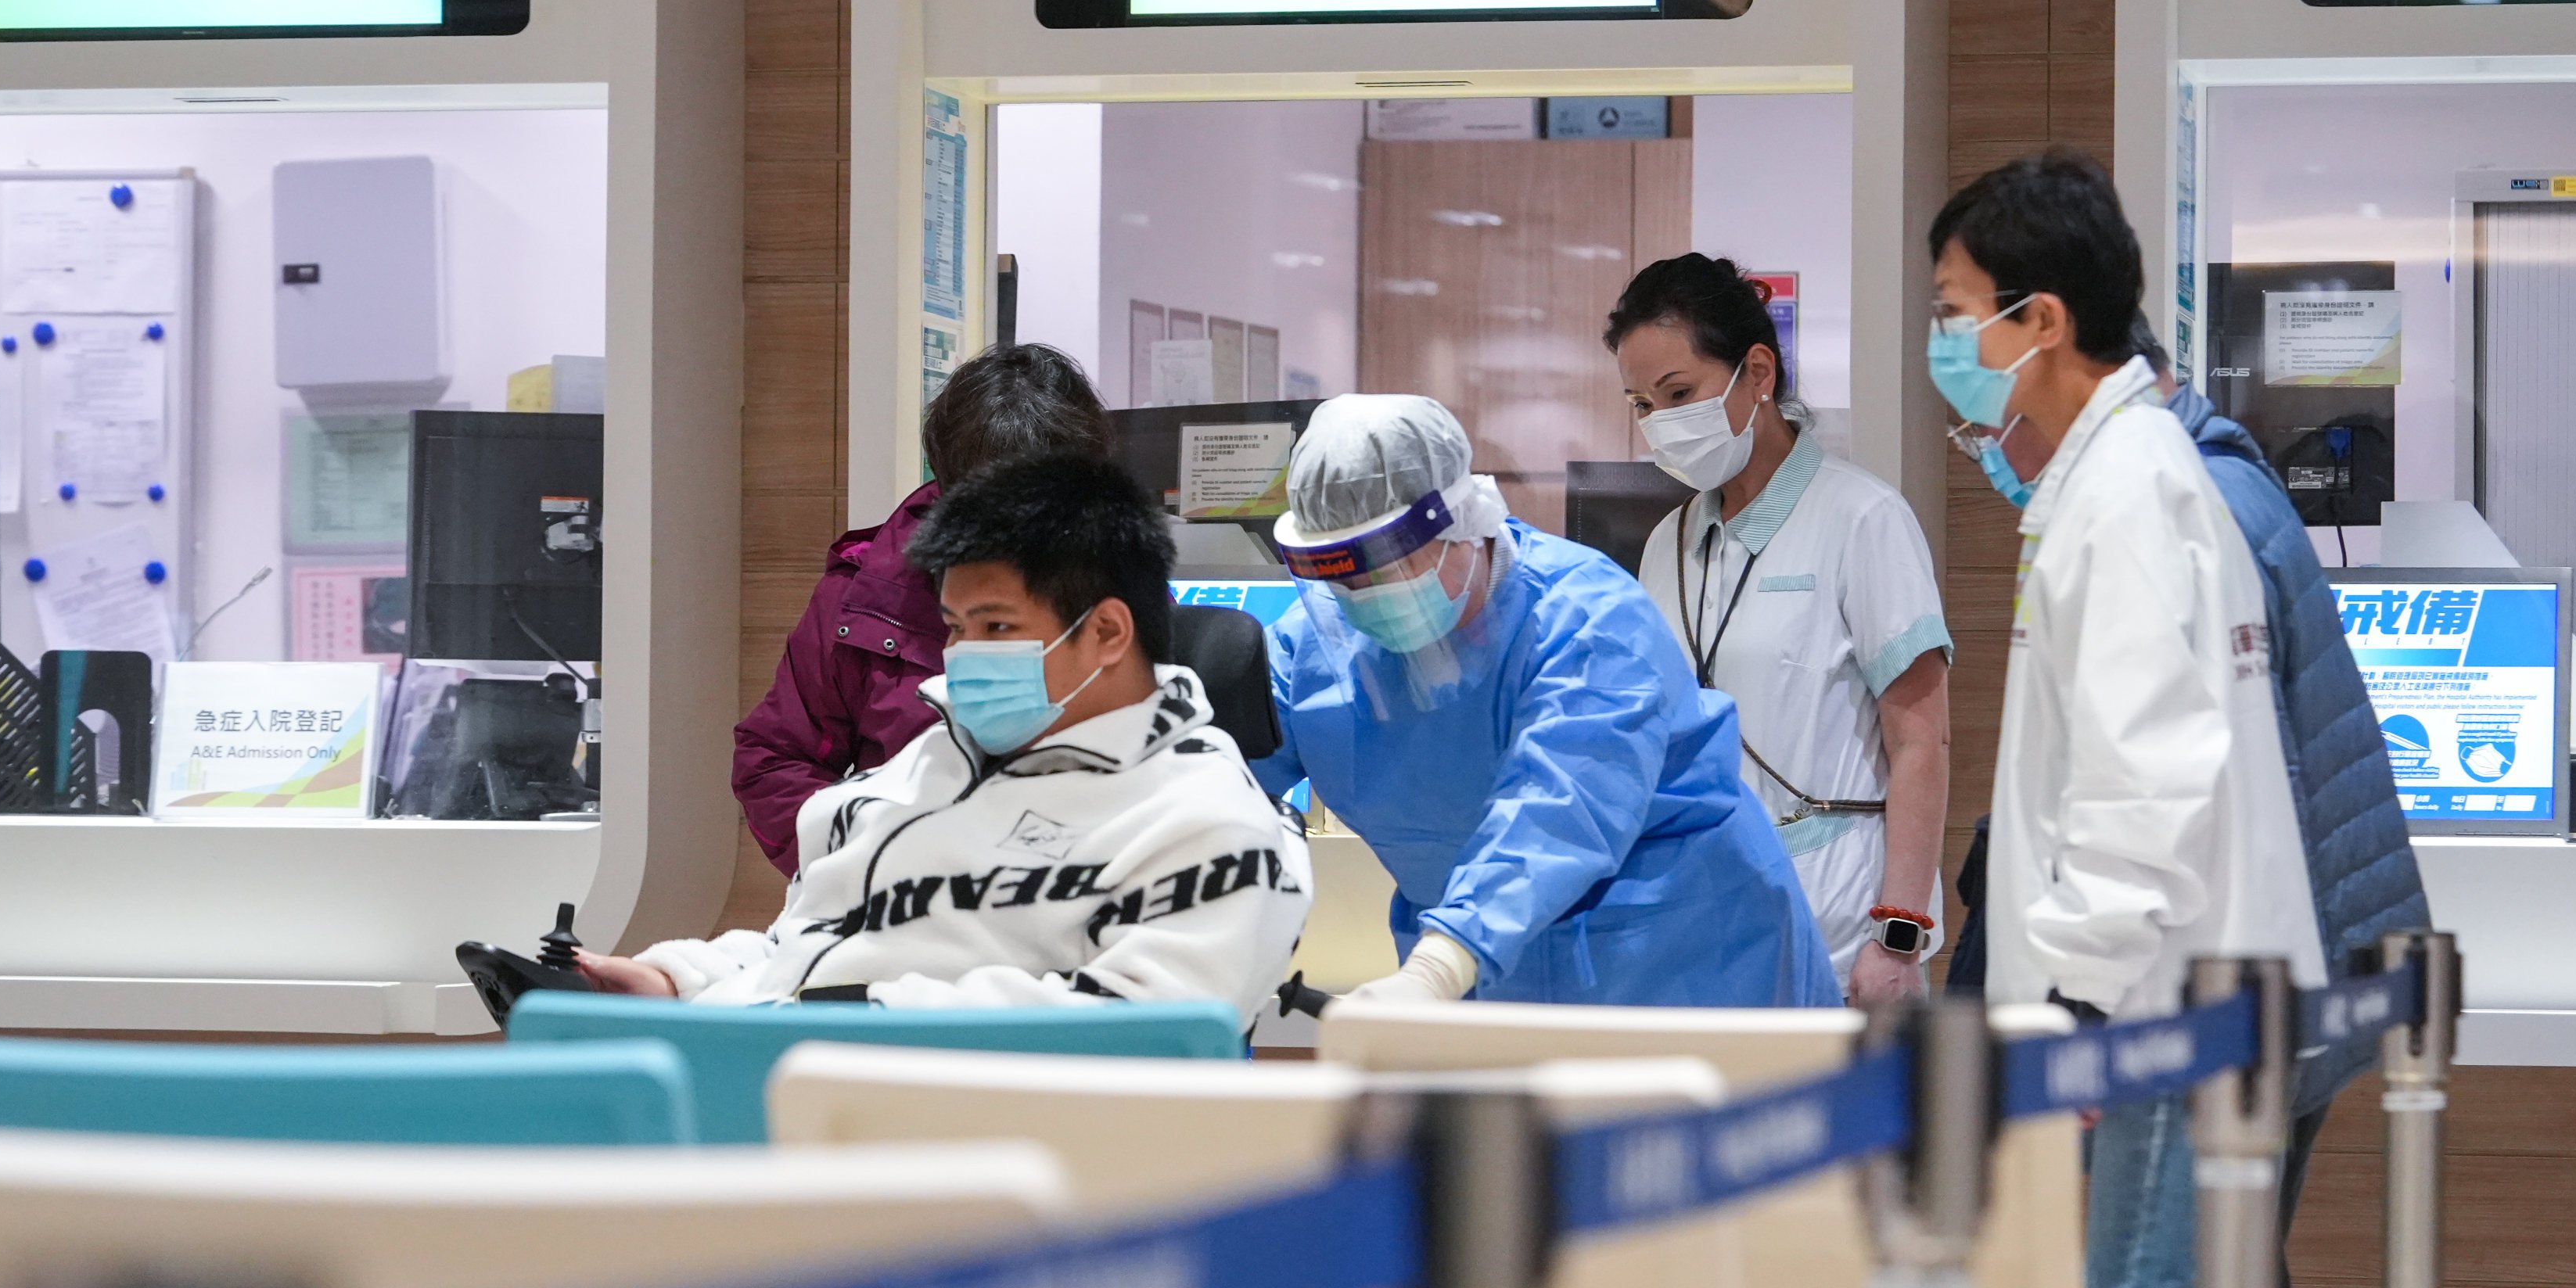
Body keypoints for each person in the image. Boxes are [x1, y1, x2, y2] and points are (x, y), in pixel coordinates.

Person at [1959, 314, 2428, 1288]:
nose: (1997, 439)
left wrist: (2092, 1011)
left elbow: (2177, 791)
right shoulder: (2201, 480)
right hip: (2260, 981)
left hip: (2205, 996)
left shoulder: (2170, 490)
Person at [1928, 149, 2329, 1288]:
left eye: (1957, 310)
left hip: (2152, 1020)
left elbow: (2143, 788)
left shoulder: (2124, 491)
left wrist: (2077, 1018)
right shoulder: (2127, 473)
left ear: (2039, 320)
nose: (1946, 340)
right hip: (2184, 1003)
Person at [579, 453, 1308, 1021]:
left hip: (975, 1167)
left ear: (1109, 632)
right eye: (956, 629)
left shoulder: (1210, 825)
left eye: (997, 627)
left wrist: (852, 1018)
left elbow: (1142, 1034)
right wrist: (675, 981)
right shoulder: (922, 769)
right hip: (792, 1098)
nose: (963, 657)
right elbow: (810, 938)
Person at [1251, 393, 1835, 1009]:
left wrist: (1438, 969)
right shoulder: (1316, 646)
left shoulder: (1586, 621)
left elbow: (1557, 810)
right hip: (1478, 971)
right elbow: (1221, 770)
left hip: (1682, 960)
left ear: (1458, 526)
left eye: (1383, 570)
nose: (1361, 598)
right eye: (1338, 580)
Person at [1608, 254, 1954, 1005]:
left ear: (1756, 372)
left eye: (1679, 393)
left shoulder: (1862, 519)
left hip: (1838, 929)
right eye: (1642, 405)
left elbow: (1921, 740)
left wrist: (1898, 933)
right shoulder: (1665, 544)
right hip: (1696, 927)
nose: (1661, 425)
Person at [731, 343, 1111, 874]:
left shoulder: (1117, 584)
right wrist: (871, 865)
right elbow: (773, 759)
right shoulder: (869, 594)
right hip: (896, 905)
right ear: (948, 485)